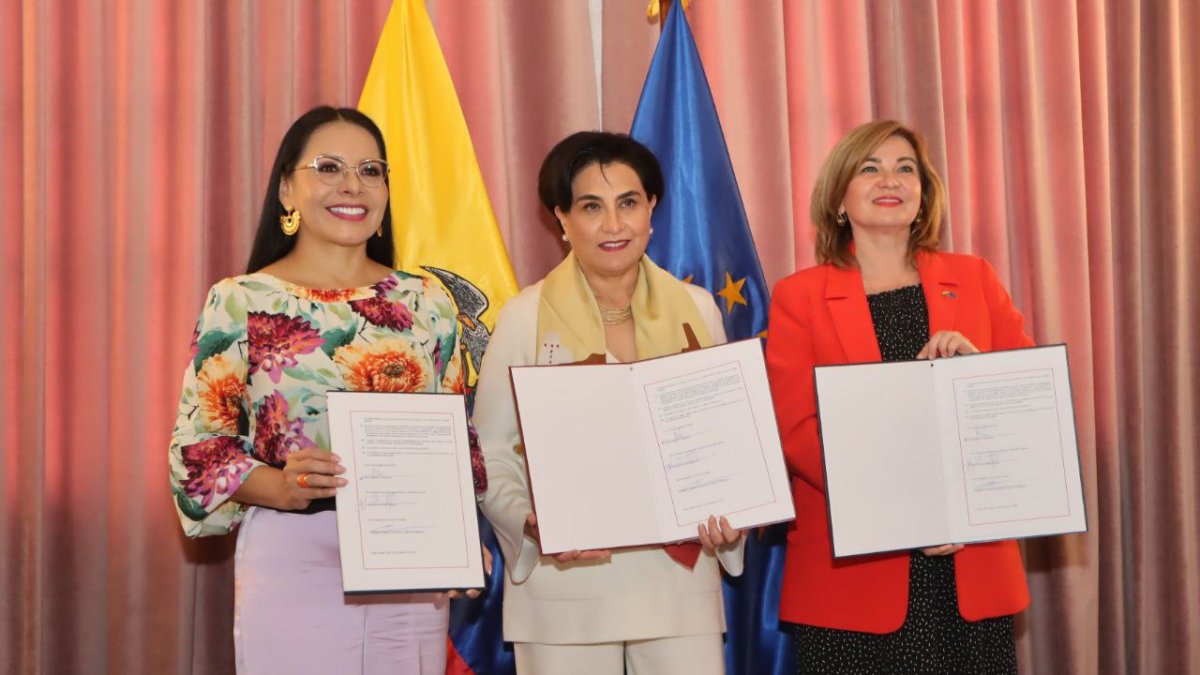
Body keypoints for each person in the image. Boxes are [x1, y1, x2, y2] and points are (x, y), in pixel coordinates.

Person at [167, 106, 486, 675]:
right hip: (293, 553)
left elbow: (457, 439)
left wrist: (458, 541)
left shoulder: (428, 303)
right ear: (287, 188)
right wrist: (281, 486)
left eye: (370, 170)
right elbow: (199, 453)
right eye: (329, 167)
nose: (352, 185)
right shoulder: (240, 300)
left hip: (409, 559)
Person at [474, 131, 745, 675]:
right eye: (591, 207)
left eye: (628, 203)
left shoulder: (698, 310)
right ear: (562, 219)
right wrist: (530, 522)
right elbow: (490, 451)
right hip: (565, 589)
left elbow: (726, 439)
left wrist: (734, 514)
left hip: (678, 585)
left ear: (652, 209)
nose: (614, 225)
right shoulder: (524, 317)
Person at [765, 119, 1031, 673]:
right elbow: (798, 431)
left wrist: (978, 370)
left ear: (923, 194)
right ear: (839, 198)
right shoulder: (800, 297)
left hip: (969, 566)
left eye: (905, 169)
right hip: (853, 579)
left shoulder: (974, 277)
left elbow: (1024, 403)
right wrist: (915, 515)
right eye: (871, 168)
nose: (891, 179)